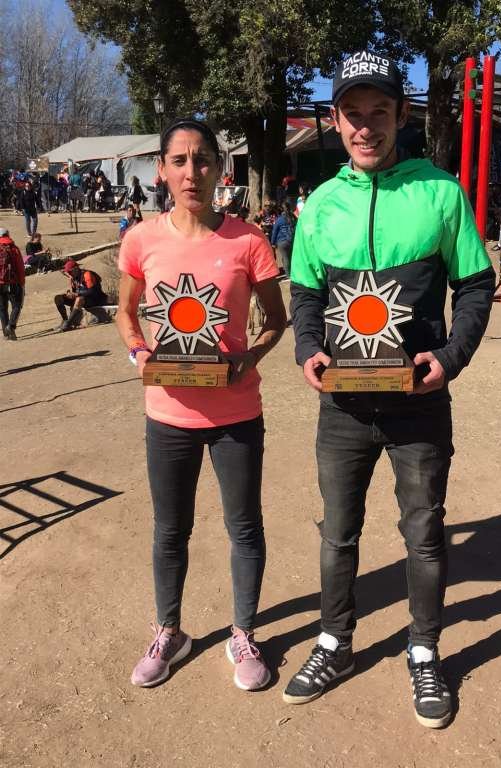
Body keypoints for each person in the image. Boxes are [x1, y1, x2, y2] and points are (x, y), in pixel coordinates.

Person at [284, 51, 495, 728]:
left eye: (379, 112)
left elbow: (477, 284)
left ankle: (425, 649)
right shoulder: (319, 204)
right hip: (342, 406)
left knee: (424, 534)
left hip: (419, 403)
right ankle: (334, 643)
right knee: (337, 534)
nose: (366, 127)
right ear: (337, 122)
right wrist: (308, 348)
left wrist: (452, 356)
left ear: (402, 115)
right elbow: (307, 293)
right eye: (353, 114)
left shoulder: (440, 193)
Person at [116, 117, 286, 691]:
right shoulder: (140, 238)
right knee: (170, 530)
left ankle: (243, 632)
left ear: (221, 168)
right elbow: (125, 311)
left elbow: (277, 318)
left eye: (203, 159)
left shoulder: (248, 240)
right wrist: (140, 354)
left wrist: (250, 357)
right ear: (162, 170)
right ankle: (171, 630)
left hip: (236, 413)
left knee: (244, 528)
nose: (193, 172)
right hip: (168, 416)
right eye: (180, 160)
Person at [54, 259, 110, 330]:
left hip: (94, 299)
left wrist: (77, 294)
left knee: (79, 299)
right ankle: (65, 320)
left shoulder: (87, 275)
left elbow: (92, 291)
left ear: (76, 269)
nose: (69, 273)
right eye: (68, 272)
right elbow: (75, 291)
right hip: (82, 299)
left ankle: (68, 324)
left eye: (70, 271)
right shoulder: (73, 278)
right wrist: (70, 294)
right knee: (58, 298)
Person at [0, 228, 25, 340]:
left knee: (2, 308)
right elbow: (20, 267)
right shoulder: (13, 248)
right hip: (12, 282)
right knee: (17, 305)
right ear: (7, 234)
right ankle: (10, 326)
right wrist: (22, 282)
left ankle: (7, 334)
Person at [270, 201, 295, 276]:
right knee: (292, 257)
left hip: (282, 241)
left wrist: (273, 243)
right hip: (292, 239)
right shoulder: (293, 217)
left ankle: (288, 275)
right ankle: (294, 272)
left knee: (285, 258)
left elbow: (274, 232)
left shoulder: (279, 219)